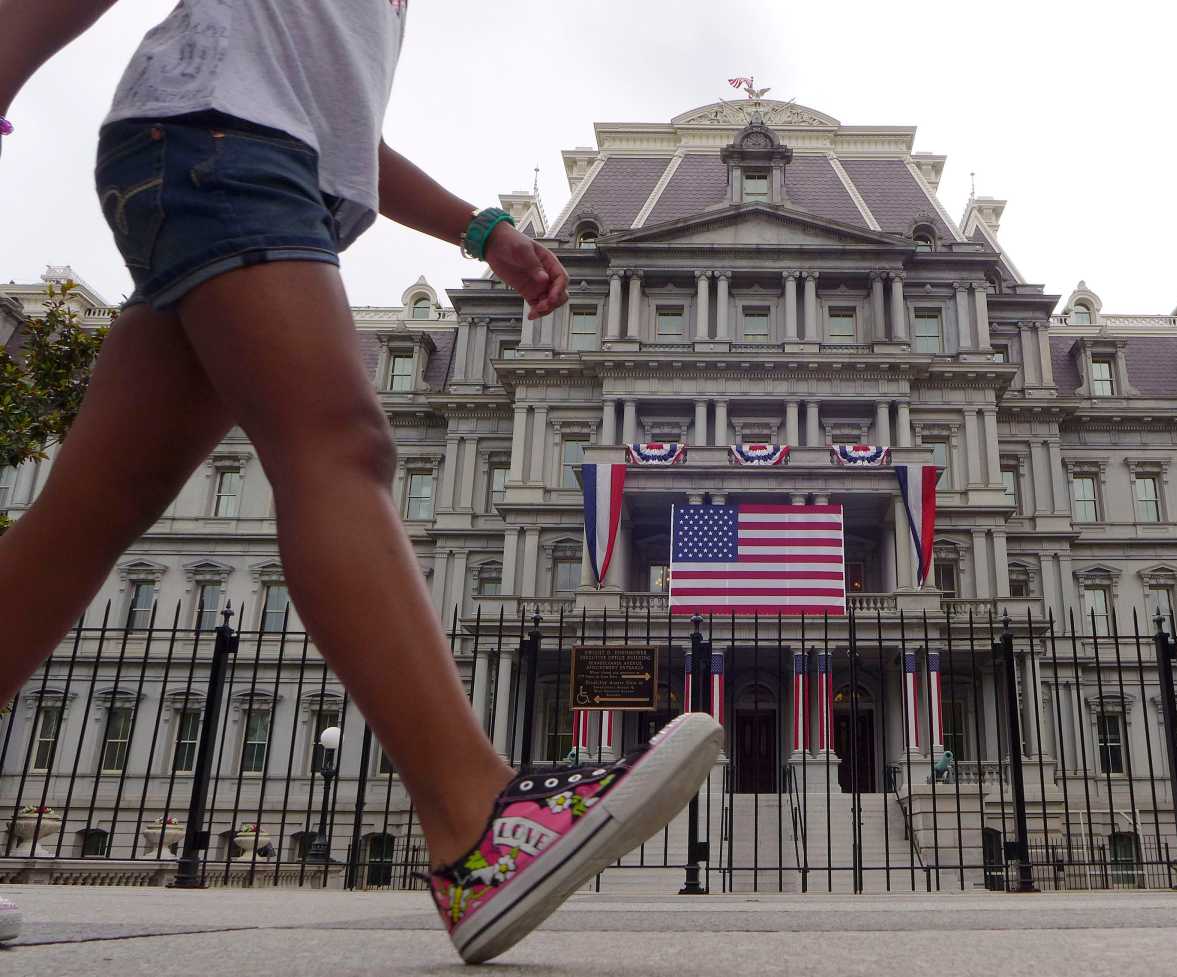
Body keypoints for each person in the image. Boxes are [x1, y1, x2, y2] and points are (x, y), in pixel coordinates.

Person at [0, 1, 721, 964]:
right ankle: (476, 820)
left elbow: (337, 126)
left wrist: (479, 228)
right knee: (340, 443)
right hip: (219, 146)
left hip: (250, 161)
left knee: (88, 513)